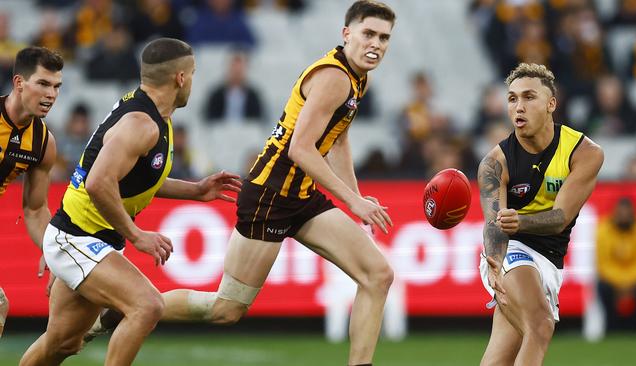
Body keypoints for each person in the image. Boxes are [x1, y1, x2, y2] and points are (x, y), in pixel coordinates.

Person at [91, 2, 397, 365]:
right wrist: (354, 202)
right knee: (225, 309)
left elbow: (338, 139)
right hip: (270, 196)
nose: (375, 43)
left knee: (378, 276)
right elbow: (300, 149)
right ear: (347, 34)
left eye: (383, 37)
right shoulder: (335, 78)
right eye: (368, 34)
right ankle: (120, 311)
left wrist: (356, 197)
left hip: (301, 195)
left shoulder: (357, 77)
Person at [19, 38, 241, 366]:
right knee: (147, 305)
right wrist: (137, 236)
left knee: (62, 343)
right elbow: (98, 182)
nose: (193, 80)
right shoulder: (142, 124)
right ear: (180, 78)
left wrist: (195, 190)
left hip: (89, 237)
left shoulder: (154, 115)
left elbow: (134, 179)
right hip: (78, 237)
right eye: (192, 73)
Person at [477, 62, 604, 366]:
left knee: (499, 358)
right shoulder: (494, 163)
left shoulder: (584, 153)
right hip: (512, 251)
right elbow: (494, 227)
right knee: (541, 325)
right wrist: (495, 263)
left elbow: (560, 217)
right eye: (512, 99)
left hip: (550, 260)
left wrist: (520, 220)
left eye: (529, 97)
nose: (518, 107)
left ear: (551, 104)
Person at [0, 46, 63, 338]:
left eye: (56, 86)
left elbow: (35, 210)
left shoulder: (42, 142)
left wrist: (51, 250)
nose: (51, 94)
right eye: (43, 83)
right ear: (19, 83)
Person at [596, 197, 636, 332]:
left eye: (627, 213)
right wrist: (621, 284)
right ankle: (611, 329)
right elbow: (604, 265)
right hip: (613, 283)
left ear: (633, 213)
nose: (624, 217)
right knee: (603, 287)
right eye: (620, 213)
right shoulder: (604, 231)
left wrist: (629, 284)